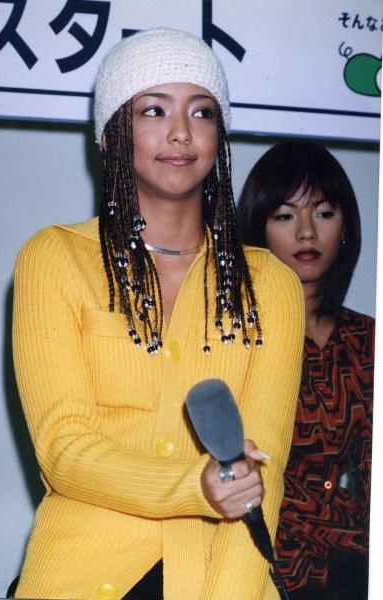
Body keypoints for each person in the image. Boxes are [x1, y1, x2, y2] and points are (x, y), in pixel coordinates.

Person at [12, 28, 305, 600]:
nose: (180, 132)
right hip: (78, 573)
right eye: (153, 109)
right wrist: (194, 486)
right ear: (111, 135)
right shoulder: (54, 258)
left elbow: (260, 478)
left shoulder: (271, 284)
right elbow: (64, 451)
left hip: (221, 575)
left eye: (202, 112)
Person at [238, 140, 374, 600]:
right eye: (284, 216)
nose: (307, 233)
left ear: (346, 226)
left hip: (350, 561)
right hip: (255, 555)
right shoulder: (232, 335)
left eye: (323, 213)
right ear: (257, 228)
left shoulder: (366, 338)